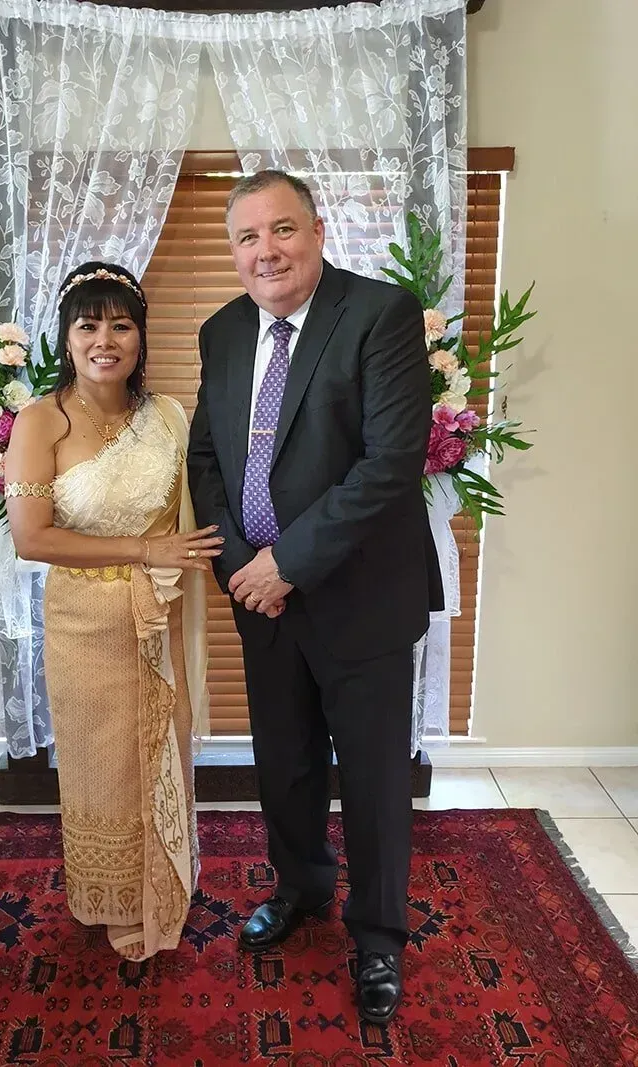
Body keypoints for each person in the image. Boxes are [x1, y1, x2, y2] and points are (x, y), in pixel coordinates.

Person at [187, 172, 443, 1023]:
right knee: (284, 765)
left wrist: (286, 560)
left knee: (371, 778)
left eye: (282, 229)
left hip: (360, 595)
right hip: (259, 600)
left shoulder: (379, 314)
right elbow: (208, 462)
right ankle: (301, 888)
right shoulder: (221, 332)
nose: (266, 250)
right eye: (248, 237)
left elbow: (387, 466)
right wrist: (237, 566)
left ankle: (378, 937)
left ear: (318, 230)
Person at [5, 262, 222, 962]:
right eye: (89, 324)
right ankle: (116, 895)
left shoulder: (166, 416)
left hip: (158, 614)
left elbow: (193, 516)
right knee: (105, 764)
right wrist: (142, 548)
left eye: (121, 324)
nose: (106, 339)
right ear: (67, 338)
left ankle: (165, 881)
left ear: (140, 336)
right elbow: (30, 537)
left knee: (162, 753)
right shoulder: (41, 420)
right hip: (84, 625)